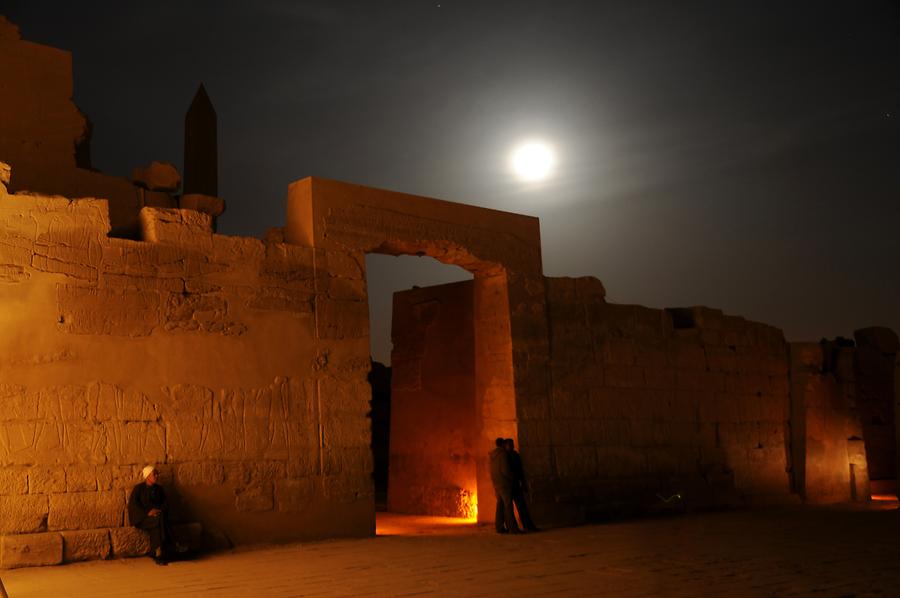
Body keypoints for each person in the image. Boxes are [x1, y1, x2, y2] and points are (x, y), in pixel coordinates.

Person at [128, 464, 176, 565]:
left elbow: (165, 503)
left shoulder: (159, 489)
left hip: (158, 517)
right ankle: (173, 543)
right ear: (147, 476)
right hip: (143, 519)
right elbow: (134, 505)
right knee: (160, 520)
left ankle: (157, 553)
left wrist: (158, 511)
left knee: (158, 524)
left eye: (157, 474)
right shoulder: (138, 489)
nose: (157, 476)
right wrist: (148, 513)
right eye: (154, 474)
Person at [504, 438, 538, 531]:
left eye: (512, 444)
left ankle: (527, 526)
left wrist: (523, 483)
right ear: (505, 446)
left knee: (521, 506)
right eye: (509, 444)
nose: (512, 445)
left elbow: (520, 471)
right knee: (509, 508)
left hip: (515, 484)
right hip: (509, 485)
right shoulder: (505, 457)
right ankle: (512, 527)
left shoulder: (515, 455)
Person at [489, 437, 520, 534]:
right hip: (504, 484)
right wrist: (512, 477)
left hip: (496, 483)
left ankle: (499, 527)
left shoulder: (492, 455)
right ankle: (513, 528)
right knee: (508, 505)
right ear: (503, 444)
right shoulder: (502, 455)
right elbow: (505, 470)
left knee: (500, 505)